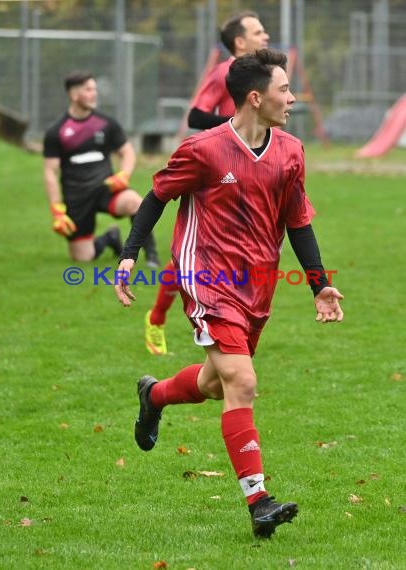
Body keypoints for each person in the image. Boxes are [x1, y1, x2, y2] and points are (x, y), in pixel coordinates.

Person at [115, 48, 344, 539]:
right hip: (206, 280)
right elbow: (157, 196)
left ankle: (154, 395)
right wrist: (131, 253)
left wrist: (320, 286)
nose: (293, 97)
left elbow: (297, 223)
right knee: (241, 380)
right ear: (256, 97)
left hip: (257, 284)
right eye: (285, 89)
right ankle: (259, 500)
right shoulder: (203, 149)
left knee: (217, 383)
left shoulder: (290, 151)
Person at [145, 10, 270, 354]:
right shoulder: (224, 71)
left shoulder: (264, 76)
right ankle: (157, 318)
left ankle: (237, 316)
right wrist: (235, 126)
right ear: (239, 42)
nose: (266, 37)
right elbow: (196, 116)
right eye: (259, 32)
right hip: (218, 169)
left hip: (253, 170)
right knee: (192, 254)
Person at [43, 71, 160, 265]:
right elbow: (50, 172)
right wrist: (57, 210)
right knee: (83, 257)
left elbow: (128, 152)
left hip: (106, 188)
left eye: (94, 89)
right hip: (76, 196)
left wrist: (123, 175)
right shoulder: (57, 131)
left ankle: (151, 257)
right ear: (74, 95)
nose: (94, 93)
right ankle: (110, 238)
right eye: (88, 90)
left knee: (135, 202)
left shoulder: (106, 124)